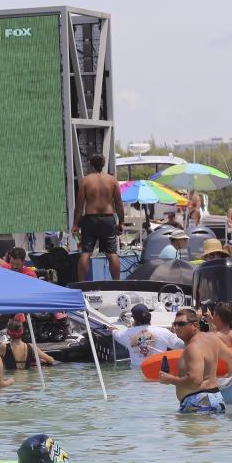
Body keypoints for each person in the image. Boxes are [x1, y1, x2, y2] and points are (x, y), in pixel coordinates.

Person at [158, 307, 232, 413]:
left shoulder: (193, 347)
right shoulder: (212, 339)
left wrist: (170, 379)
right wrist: (225, 384)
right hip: (215, 398)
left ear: (195, 326)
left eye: (181, 324)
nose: (177, 327)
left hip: (198, 403)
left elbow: (194, 381)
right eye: (175, 324)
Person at [72, 153, 124, 281]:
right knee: (112, 253)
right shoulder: (112, 180)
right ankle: (117, 283)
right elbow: (118, 203)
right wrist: (121, 222)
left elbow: (79, 205)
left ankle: (82, 284)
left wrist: (75, 224)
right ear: (103, 164)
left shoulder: (85, 181)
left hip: (90, 219)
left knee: (86, 253)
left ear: (91, 165)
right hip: (107, 219)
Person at [112, 304, 184, 368]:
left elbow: (115, 334)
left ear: (134, 319)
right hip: (159, 375)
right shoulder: (164, 332)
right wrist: (175, 333)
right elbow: (182, 345)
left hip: (135, 377)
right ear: (149, 317)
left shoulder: (126, 334)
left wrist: (113, 330)